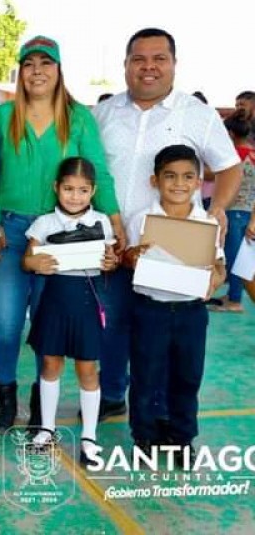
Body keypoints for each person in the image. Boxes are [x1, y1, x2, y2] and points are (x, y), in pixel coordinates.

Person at [93, 28, 241, 424]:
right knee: (110, 326)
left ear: (174, 64)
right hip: (111, 243)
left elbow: (229, 167)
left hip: (173, 251)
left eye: (159, 58)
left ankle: (168, 422)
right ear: (125, 65)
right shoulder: (103, 113)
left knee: (163, 344)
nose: (148, 67)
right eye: (139, 59)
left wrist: (218, 209)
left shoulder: (196, 113)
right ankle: (112, 394)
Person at [0, 35, 121, 433]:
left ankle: (39, 398)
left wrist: (114, 220)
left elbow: (98, 168)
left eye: (46, 64)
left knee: (50, 322)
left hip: (61, 234)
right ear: (20, 71)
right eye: (29, 64)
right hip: (11, 230)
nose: (37, 71)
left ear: (59, 70)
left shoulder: (78, 117)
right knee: (7, 320)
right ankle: (6, 394)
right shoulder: (3, 115)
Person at [122, 145, 225, 461]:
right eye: (170, 176)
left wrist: (215, 280)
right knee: (145, 375)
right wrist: (132, 256)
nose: (178, 184)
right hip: (150, 308)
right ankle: (145, 437)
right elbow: (128, 259)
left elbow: (218, 265)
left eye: (187, 177)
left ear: (198, 182)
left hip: (191, 312)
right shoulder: (142, 219)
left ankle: (181, 438)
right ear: (155, 181)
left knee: (188, 376)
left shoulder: (207, 222)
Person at [21, 157, 117, 464]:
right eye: (68, 189)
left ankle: (89, 437)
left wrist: (111, 262)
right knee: (50, 364)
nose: (75, 196)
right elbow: (27, 259)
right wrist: (34, 262)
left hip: (88, 300)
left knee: (88, 369)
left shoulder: (102, 222)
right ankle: (46, 429)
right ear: (56, 188)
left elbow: (112, 258)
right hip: (55, 299)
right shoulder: (45, 224)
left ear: (93, 191)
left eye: (82, 190)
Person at [213, 116, 255, 312]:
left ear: (229, 134)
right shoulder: (253, 153)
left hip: (233, 210)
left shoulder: (233, 156)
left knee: (234, 258)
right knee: (243, 257)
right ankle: (233, 295)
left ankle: (235, 300)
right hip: (249, 211)